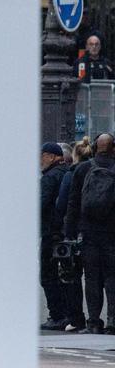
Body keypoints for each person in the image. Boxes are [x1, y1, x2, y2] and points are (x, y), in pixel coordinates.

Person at [64, 132, 115, 334]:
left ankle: (93, 322)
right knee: (112, 277)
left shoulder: (83, 169)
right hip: (112, 234)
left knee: (92, 278)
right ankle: (112, 322)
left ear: (94, 147)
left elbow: (73, 203)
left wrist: (69, 233)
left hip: (88, 232)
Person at [55, 137, 92, 331]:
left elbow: (63, 205)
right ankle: (99, 320)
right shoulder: (100, 170)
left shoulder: (72, 174)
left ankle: (76, 318)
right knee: (97, 278)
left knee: (72, 276)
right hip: (96, 231)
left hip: (74, 232)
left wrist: (64, 231)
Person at [39, 142, 70, 330]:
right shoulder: (67, 173)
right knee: (67, 274)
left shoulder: (49, 178)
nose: (40, 159)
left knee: (47, 275)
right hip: (67, 232)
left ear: (51, 156)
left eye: (42, 155)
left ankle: (56, 315)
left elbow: (41, 204)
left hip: (51, 232)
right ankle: (69, 313)